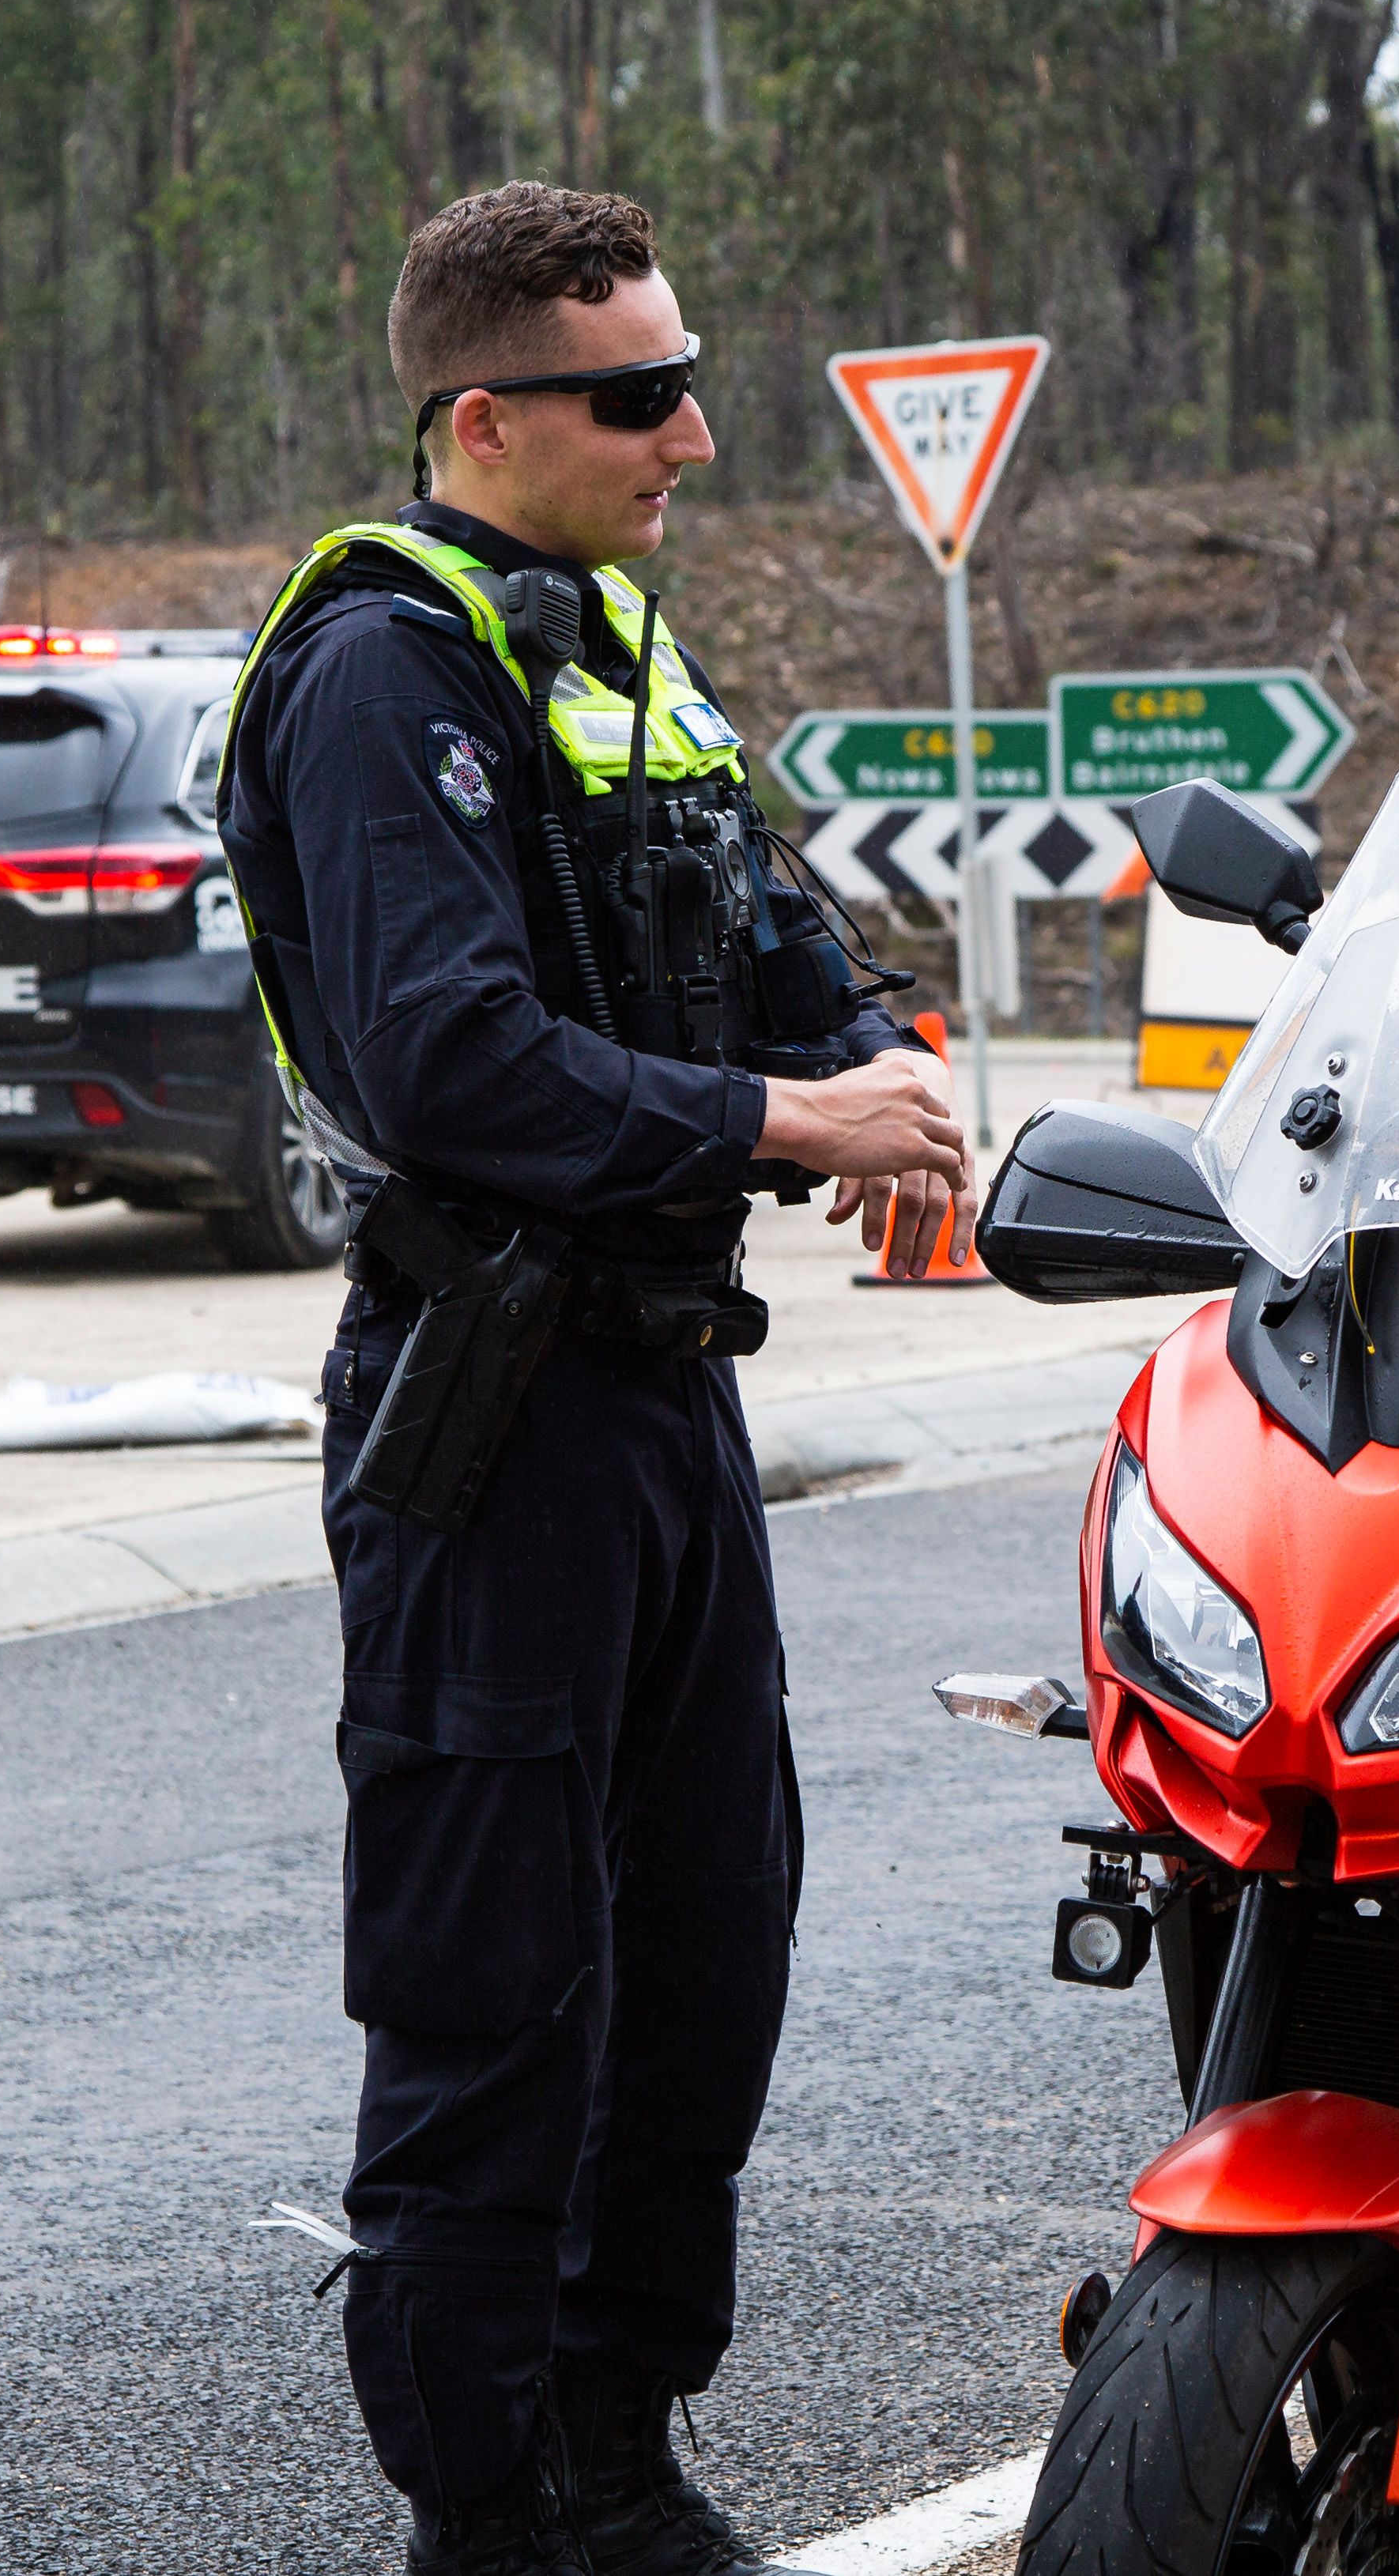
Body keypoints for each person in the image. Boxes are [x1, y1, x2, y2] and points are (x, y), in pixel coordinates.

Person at [221, 183, 970, 2576]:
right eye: (640, 393)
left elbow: (778, 936)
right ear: (486, 417)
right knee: (494, 2004)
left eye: (686, 375)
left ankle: (622, 2469)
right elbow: (453, 1059)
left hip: (664, 1404)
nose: (695, 433)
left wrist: (882, 1069)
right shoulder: (378, 672)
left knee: (703, 1963)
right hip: (488, 1408)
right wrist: (792, 1123)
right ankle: (495, 2516)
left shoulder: (620, 645)